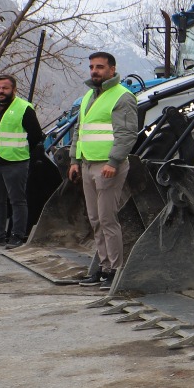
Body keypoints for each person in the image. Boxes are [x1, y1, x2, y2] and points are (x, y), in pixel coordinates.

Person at [66, 52, 140, 288]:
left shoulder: (122, 96)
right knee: (95, 219)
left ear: (112, 69)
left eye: (99, 67)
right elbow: (79, 130)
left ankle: (114, 270)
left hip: (108, 166)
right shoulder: (89, 95)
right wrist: (74, 160)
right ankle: (103, 267)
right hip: (88, 164)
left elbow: (127, 134)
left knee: (108, 219)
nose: (94, 71)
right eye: (91, 67)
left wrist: (114, 162)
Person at [0, 74, 44, 249]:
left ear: (14, 89)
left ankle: (17, 235)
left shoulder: (24, 108)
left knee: (17, 200)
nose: (1, 91)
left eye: (5, 88)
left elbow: (36, 135)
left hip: (15, 162)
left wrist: (21, 150)